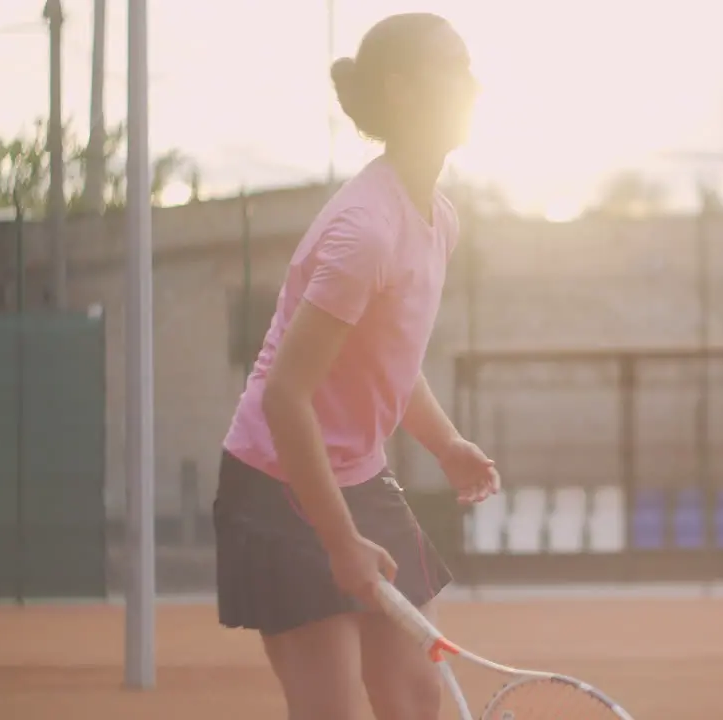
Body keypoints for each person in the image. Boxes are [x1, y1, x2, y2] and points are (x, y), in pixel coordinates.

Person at [212, 13, 496, 720]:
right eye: (454, 68)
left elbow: (387, 362)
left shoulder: (438, 217)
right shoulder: (364, 230)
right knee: (329, 708)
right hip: (278, 479)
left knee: (414, 693)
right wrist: (339, 543)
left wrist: (447, 445)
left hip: (361, 475)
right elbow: (286, 397)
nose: (474, 83)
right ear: (402, 92)